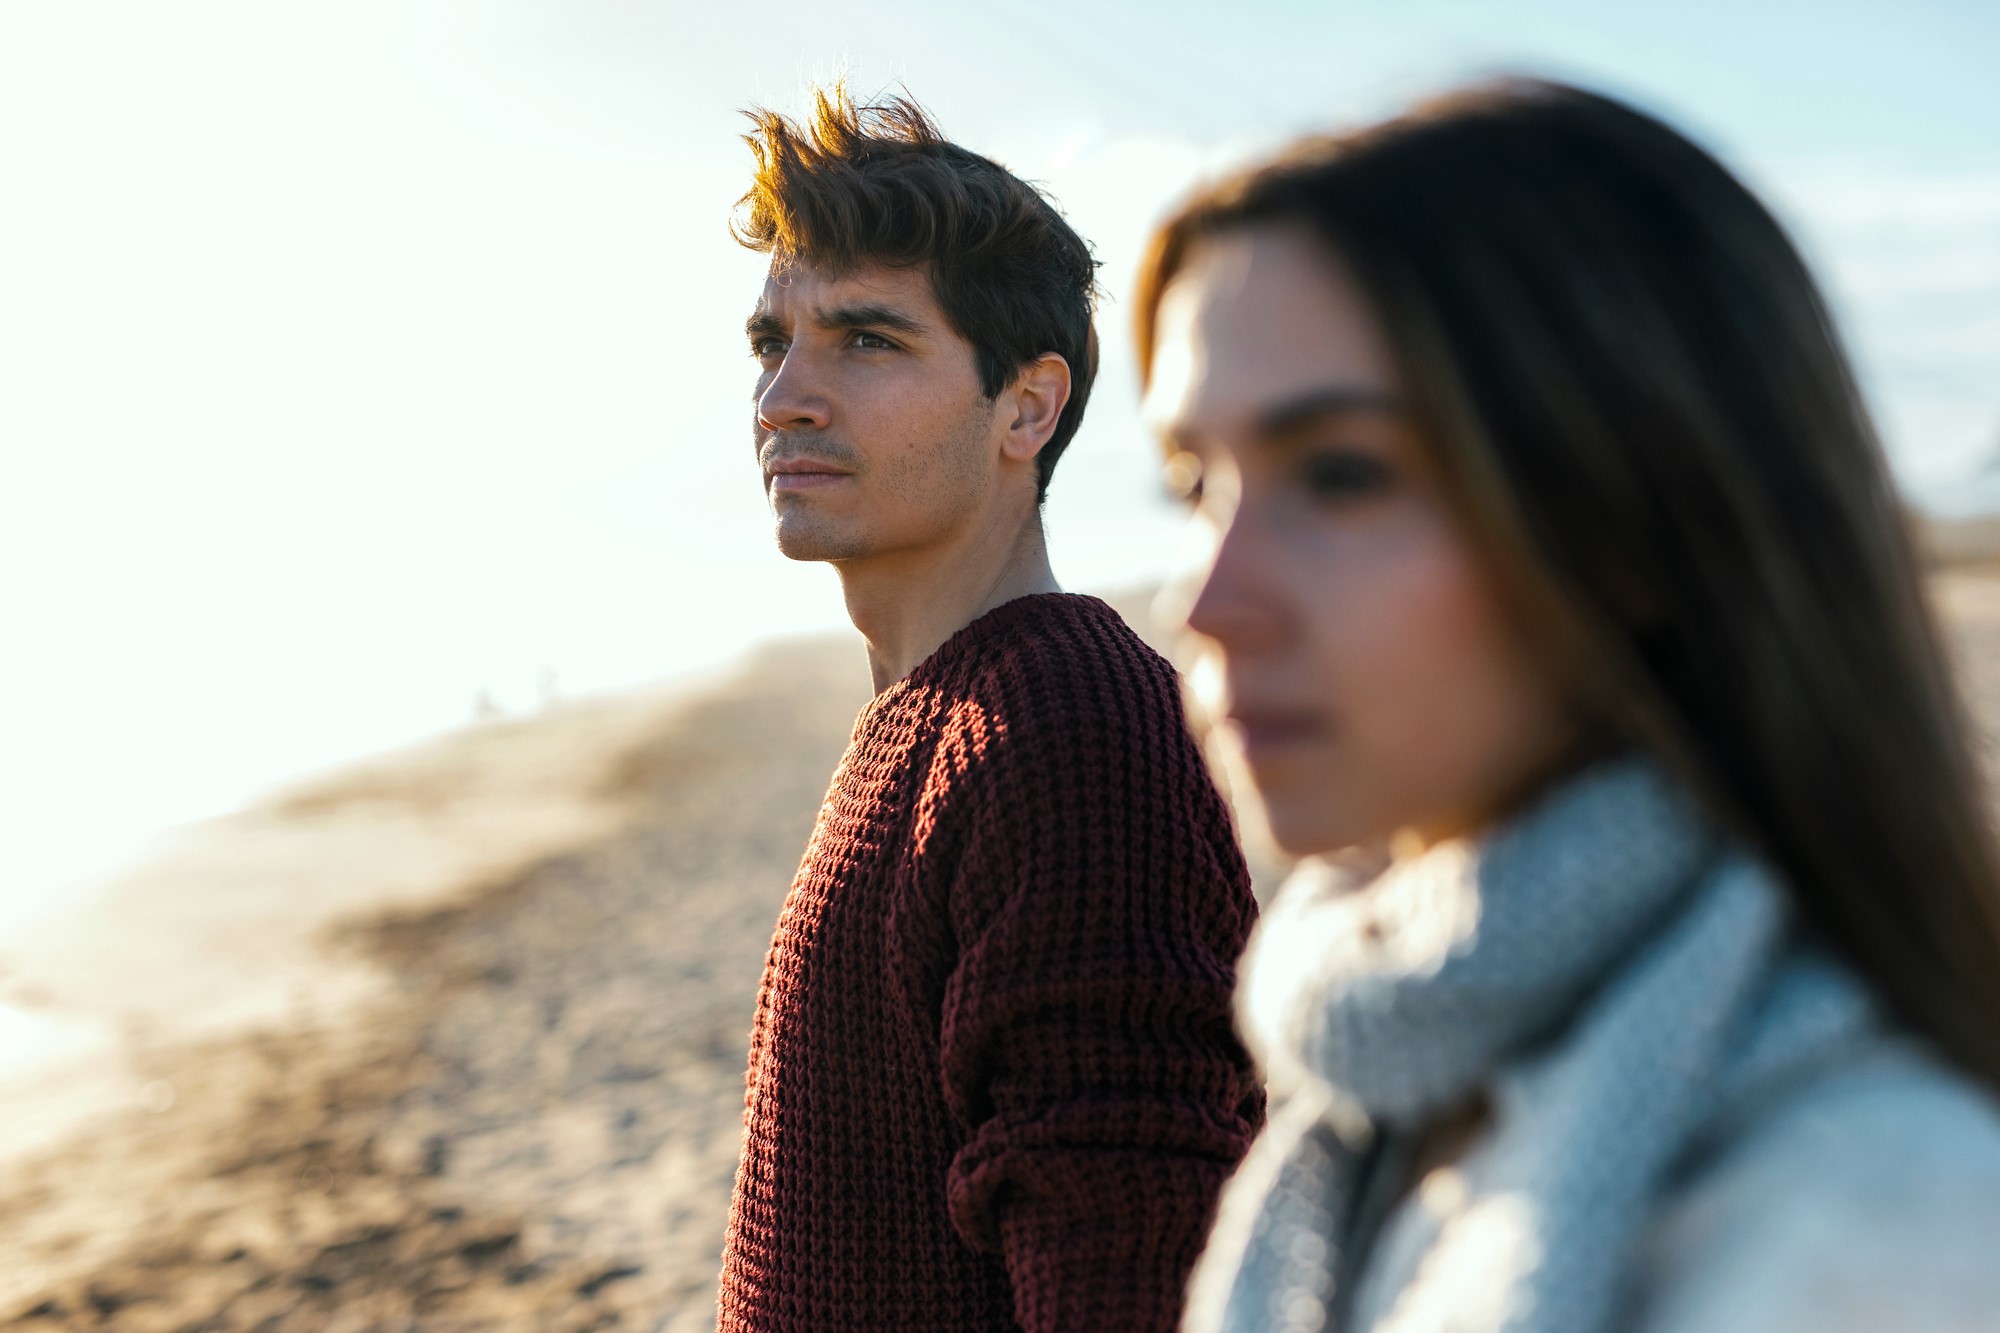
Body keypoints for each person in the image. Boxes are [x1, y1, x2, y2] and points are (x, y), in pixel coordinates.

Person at [1133, 79, 2000, 1333]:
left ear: (1641, 517)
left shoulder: (1882, 1217)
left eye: (1340, 473)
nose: (1205, 599)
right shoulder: (1377, 1098)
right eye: (1193, 484)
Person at [714, 85, 1265, 1332]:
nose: (784, 397)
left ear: (1027, 404)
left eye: (866, 340)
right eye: (770, 343)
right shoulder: (935, 713)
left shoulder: (1065, 725)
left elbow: (1130, 1268)